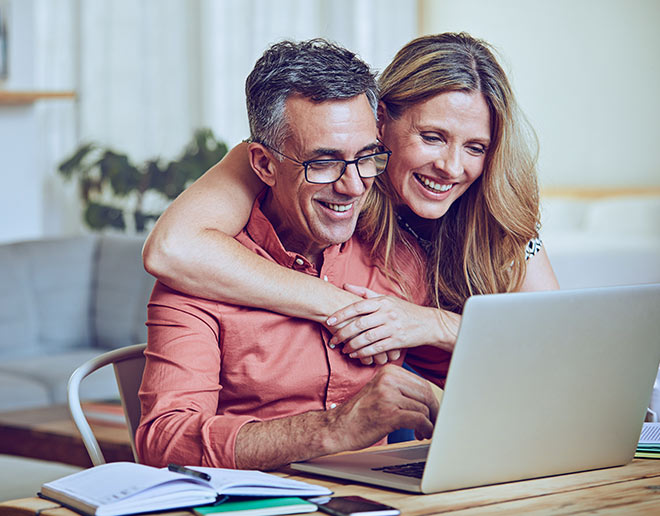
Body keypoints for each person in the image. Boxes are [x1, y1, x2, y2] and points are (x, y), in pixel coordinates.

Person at [142, 32, 559, 370]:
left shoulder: (497, 201)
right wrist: (344, 307)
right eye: (432, 138)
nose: (451, 167)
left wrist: (432, 325)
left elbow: (553, 344)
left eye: (476, 147)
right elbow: (173, 249)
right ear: (379, 121)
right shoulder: (318, 174)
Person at [136, 39, 443, 471]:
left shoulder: (399, 256)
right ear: (262, 165)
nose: (353, 186)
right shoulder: (199, 279)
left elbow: (477, 391)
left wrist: (441, 382)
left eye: (367, 157)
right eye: (322, 163)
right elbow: (162, 444)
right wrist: (332, 428)